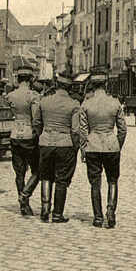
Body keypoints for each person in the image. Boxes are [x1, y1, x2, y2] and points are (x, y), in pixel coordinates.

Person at [79, 74, 127, 228]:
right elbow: (123, 129)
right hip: (111, 146)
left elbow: (83, 130)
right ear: (106, 84)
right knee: (112, 180)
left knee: (95, 183)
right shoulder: (115, 103)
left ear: (92, 85)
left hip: (93, 146)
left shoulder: (86, 104)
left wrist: (83, 148)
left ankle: (98, 217)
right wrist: (117, 144)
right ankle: (111, 212)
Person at [33, 73, 82, 223]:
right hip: (64, 144)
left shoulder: (44, 101)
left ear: (56, 85)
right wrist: (76, 147)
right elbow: (75, 130)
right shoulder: (74, 104)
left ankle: (44, 209)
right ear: (70, 88)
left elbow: (36, 122)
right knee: (61, 180)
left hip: (46, 142)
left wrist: (43, 134)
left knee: (46, 176)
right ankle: (57, 214)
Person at [6, 66, 42, 216]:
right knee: (37, 170)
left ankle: (23, 204)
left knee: (19, 172)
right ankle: (24, 196)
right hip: (29, 135)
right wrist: (39, 134)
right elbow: (36, 119)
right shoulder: (33, 96)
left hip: (15, 133)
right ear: (30, 79)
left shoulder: (11, 95)